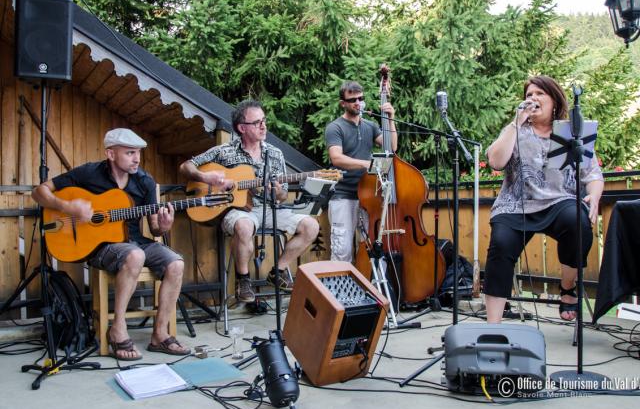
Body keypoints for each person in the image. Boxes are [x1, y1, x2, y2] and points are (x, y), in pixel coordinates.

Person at [31, 128, 189, 360]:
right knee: (135, 255)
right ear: (111, 154)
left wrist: (164, 226)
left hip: (136, 242)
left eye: (138, 153)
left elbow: (155, 228)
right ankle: (118, 329)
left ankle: (160, 335)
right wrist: (67, 207)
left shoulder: (145, 181)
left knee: (176, 263)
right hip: (102, 247)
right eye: (130, 153)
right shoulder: (89, 173)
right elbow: (39, 192)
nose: (137, 159)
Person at [484, 75, 604, 323]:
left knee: (577, 223)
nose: (533, 99)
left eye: (540, 94)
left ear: (554, 100)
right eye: (529, 95)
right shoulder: (516, 130)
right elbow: (495, 161)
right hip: (516, 204)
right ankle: (492, 326)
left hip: (559, 201)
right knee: (501, 244)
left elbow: (592, 173)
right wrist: (516, 123)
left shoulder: (571, 132)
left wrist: (594, 193)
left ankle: (568, 289)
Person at [179, 99, 319, 303]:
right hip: (240, 212)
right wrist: (205, 177)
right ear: (242, 128)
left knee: (311, 226)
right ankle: (243, 281)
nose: (263, 126)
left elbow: (282, 195)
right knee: (244, 226)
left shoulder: (275, 154)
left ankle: (278, 271)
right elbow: (186, 166)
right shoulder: (224, 151)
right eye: (257, 123)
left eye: (264, 120)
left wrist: (278, 192)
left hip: (271, 209)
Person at [325, 80, 396, 262]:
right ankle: (340, 291)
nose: (358, 102)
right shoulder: (335, 127)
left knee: (371, 248)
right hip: (343, 194)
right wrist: (367, 164)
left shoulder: (370, 126)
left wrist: (390, 119)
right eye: (352, 99)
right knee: (342, 251)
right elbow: (336, 158)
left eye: (361, 98)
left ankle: (368, 287)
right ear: (343, 103)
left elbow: (392, 147)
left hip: (368, 196)